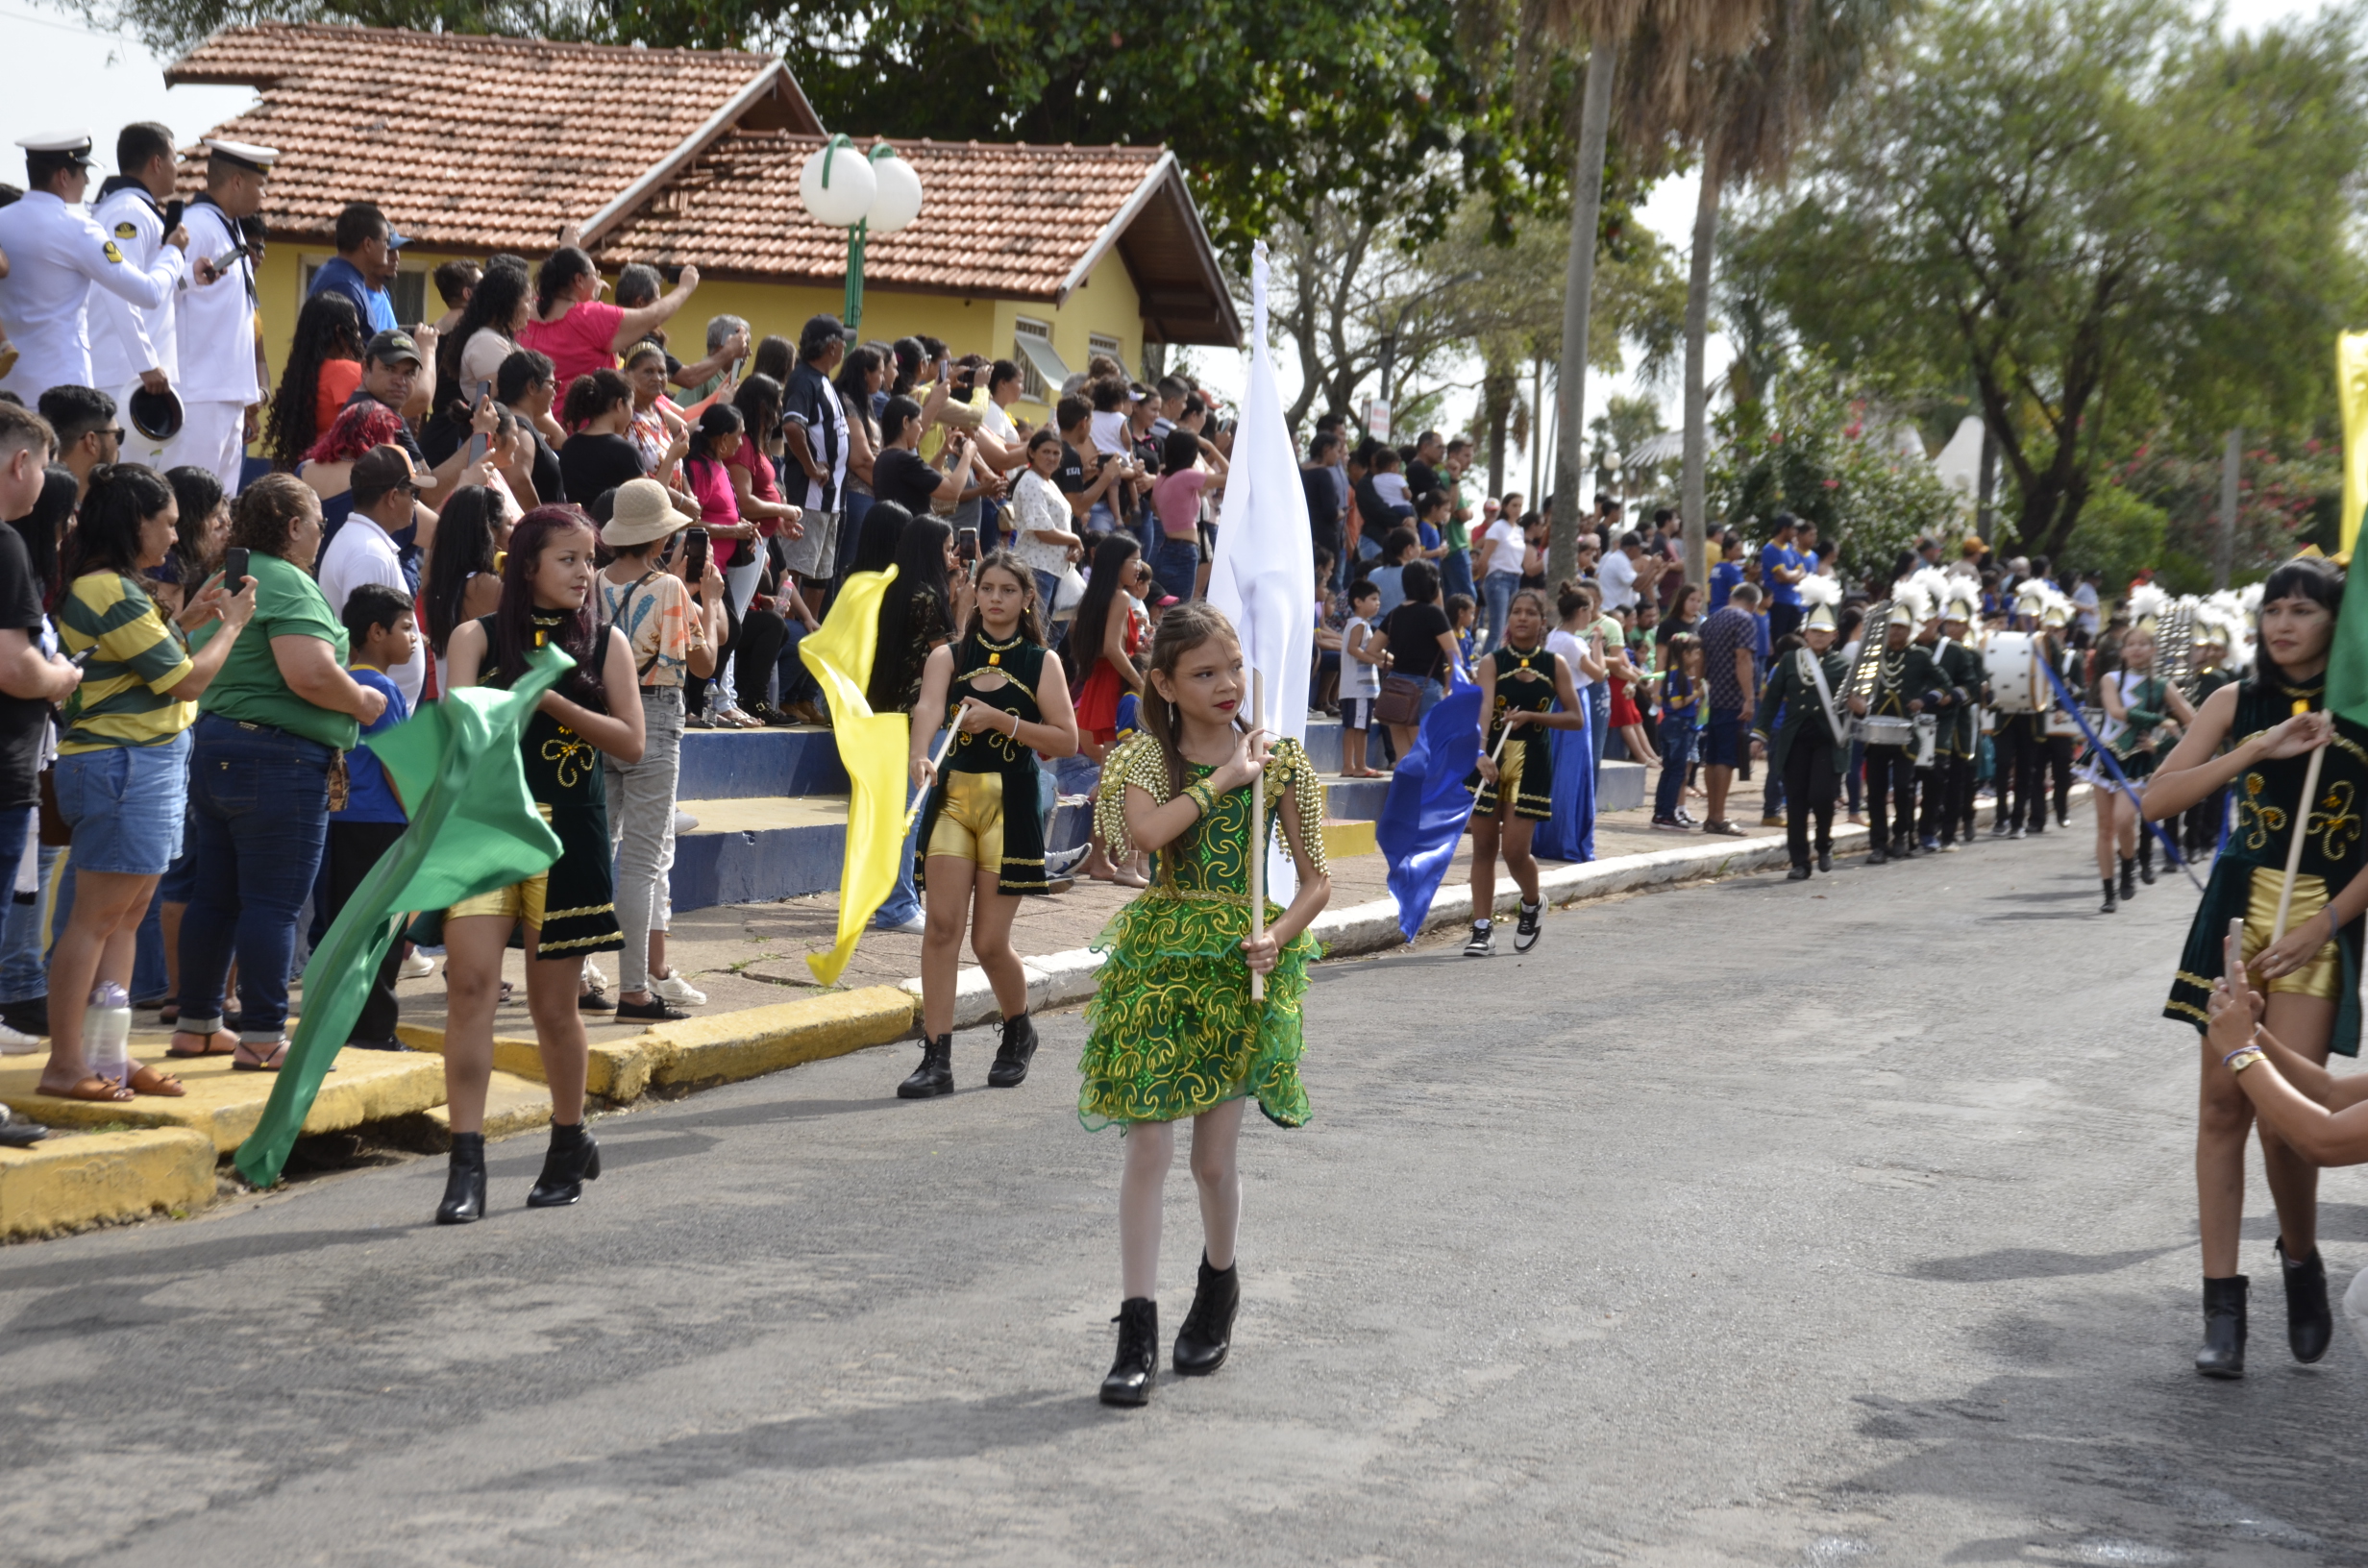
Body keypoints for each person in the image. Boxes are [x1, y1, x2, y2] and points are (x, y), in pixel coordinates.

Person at [1080, 600, 1331, 1405]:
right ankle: (1136, 1329)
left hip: (1236, 970)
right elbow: (1145, 839)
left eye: (1230, 667)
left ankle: (1219, 1284)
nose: (1226, 684)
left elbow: (1318, 879)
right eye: (1204, 673)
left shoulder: (1283, 761)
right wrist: (1226, 778)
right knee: (1147, 1151)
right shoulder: (1143, 760)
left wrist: (1279, 934)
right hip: (1160, 964)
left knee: (1212, 1162)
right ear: (1164, 683)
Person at [2148, 557, 2359, 1377]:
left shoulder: (2363, 708)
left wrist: (2327, 925)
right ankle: (2222, 1307)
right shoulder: (2237, 700)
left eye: (2303, 610)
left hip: (2318, 921)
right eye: (2273, 609)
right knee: (2219, 1109)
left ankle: (2300, 1259)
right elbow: (2158, 798)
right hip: (2236, 917)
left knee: (2288, 1115)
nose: (2282, 623)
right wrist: (2253, 750)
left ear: (2337, 623)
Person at [429, 505, 646, 1223]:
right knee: (470, 991)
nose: (586, 574)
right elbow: (455, 737)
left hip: (566, 841)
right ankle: (467, 1163)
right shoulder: (473, 637)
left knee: (554, 1008)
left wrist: (549, 697)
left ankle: (566, 1139)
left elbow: (630, 744)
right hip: (485, 832)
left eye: (590, 560)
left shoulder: (607, 644)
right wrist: (501, 703)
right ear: (527, 566)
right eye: (569, 560)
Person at [41, 463, 255, 1099]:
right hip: (123, 763)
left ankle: (107, 1055)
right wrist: (232, 623)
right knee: (98, 919)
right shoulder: (108, 589)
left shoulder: (116, 590)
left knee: (124, 917)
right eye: (164, 522)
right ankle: (67, 1063)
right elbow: (186, 681)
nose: (172, 535)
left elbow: (143, 665)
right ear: (135, 522)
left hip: (140, 763)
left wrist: (186, 624)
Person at [171, 475, 386, 1069]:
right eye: (318, 522)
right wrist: (363, 703)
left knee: (216, 897)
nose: (322, 533)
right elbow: (310, 674)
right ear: (294, 527)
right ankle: (264, 1036)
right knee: (272, 903)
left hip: (218, 748)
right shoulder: (287, 582)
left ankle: (197, 1024)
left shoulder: (229, 576)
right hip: (278, 760)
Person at [898, 551, 1078, 1096]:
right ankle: (936, 1058)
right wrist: (918, 755)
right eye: (987, 588)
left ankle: (1019, 1029)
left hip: (1013, 801)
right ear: (974, 594)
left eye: (1008, 589)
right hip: (952, 797)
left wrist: (1000, 720)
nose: (996, 598)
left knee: (989, 943)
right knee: (941, 928)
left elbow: (1066, 740)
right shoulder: (947, 657)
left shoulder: (1042, 661)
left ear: (1027, 599)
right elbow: (928, 710)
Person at [598, 479, 726, 1023]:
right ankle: (634, 989)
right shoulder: (670, 590)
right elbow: (703, 665)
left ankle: (582, 972)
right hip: (654, 716)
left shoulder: (595, 582)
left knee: (598, 847)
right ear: (660, 537)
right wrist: (712, 603)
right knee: (644, 861)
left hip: (600, 716)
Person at [0, 132, 189, 406]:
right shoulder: (80, 230)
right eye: (83, 172)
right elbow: (148, 293)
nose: (88, 181)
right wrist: (174, 252)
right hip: (62, 387)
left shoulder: (3, 220)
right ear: (64, 176)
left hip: (9, 385)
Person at [1465, 588, 1585, 957]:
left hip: (1532, 761)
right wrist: (1480, 751)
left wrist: (1533, 717)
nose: (1521, 618)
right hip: (1490, 762)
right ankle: (1482, 929)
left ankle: (1531, 903)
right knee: (1483, 846)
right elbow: (1484, 707)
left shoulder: (1555, 665)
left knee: (1516, 851)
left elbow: (1575, 718)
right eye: (1516, 611)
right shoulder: (1493, 661)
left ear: (1542, 621)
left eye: (1530, 613)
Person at [321, 582, 414, 1052]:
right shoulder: (382, 687)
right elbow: (396, 763)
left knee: (346, 927)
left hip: (340, 822)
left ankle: (348, 1025)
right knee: (381, 933)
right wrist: (417, 817)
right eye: (405, 626)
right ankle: (376, 1030)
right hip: (380, 823)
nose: (414, 636)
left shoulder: (340, 678)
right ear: (376, 632)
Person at [160, 140, 275, 493]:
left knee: (217, 509)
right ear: (237, 182)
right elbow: (160, 292)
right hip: (198, 393)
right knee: (190, 502)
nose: (264, 193)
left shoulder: (229, 227)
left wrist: (246, 397)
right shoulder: (196, 226)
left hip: (224, 394)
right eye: (260, 184)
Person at [870, 512, 964, 929]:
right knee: (909, 812)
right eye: (947, 548)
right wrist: (962, 605)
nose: (952, 555)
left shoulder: (893, 589)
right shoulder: (928, 597)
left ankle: (890, 900)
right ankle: (897, 905)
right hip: (917, 713)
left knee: (891, 812)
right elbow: (950, 658)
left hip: (884, 710)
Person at [88, 123, 189, 468]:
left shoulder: (136, 209)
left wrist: (190, 276)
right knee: (123, 485)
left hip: (138, 375)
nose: (179, 168)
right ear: (157, 163)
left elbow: (145, 282)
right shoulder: (128, 212)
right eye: (176, 159)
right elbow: (119, 291)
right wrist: (146, 362)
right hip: (127, 376)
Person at [316, 444, 433, 705]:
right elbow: (363, 643)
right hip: (376, 715)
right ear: (393, 497)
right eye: (414, 493)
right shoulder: (368, 553)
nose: (416, 502)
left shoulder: (366, 544)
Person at [1752, 588, 1851, 879]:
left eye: (1825, 632)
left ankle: (1823, 842)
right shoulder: (1791, 661)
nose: (1819, 636)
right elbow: (1771, 700)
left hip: (1828, 739)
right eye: (1814, 631)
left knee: (1821, 796)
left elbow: (1858, 703)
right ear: (1805, 633)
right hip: (1794, 738)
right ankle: (1799, 861)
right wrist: (1759, 735)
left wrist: (1858, 706)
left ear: (1834, 635)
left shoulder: (1844, 665)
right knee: (1795, 799)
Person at [2093, 619, 2191, 911]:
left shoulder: (2162, 686)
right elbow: (2115, 712)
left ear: (2153, 650)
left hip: (2137, 761)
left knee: (2124, 820)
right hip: (2105, 755)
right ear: (2122, 651)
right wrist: (2160, 720)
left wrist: (2161, 746)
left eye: (2143, 644)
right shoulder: (2110, 679)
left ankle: (2127, 865)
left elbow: (2195, 723)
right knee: (2104, 827)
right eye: (2130, 644)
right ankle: (2108, 892)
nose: (2136, 649)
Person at [517, 246, 700, 395]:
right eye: (594, 275)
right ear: (579, 280)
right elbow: (654, 315)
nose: (597, 280)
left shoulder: (525, 310)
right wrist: (686, 287)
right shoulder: (590, 316)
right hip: (585, 430)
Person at [1853, 597, 1946, 866]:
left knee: (1905, 787)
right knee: (1876, 790)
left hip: (1907, 733)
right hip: (1876, 732)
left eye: (1902, 628)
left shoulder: (1920, 655)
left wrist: (1924, 701)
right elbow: (1859, 685)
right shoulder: (1873, 654)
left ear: (1911, 630)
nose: (1896, 632)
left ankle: (1902, 836)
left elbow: (1944, 685)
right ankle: (1878, 844)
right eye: (1892, 627)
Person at [778, 314, 848, 593]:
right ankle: (790, 631)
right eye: (843, 342)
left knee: (820, 575)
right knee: (795, 571)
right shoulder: (803, 380)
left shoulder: (821, 380)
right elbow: (793, 425)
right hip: (810, 496)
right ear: (832, 346)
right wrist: (809, 466)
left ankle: (809, 630)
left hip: (829, 498)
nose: (845, 348)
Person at [263, 292, 367, 472]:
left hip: (305, 471)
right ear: (339, 332)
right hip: (343, 473)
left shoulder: (299, 377)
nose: (359, 337)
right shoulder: (348, 372)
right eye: (355, 329)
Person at [1919, 579, 1986, 853]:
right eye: (1952, 623)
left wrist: (1952, 697)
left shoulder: (1966, 652)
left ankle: (1950, 832)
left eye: (1960, 623)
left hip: (1956, 723)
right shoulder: (1914, 647)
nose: (1955, 628)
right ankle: (1924, 830)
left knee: (1956, 778)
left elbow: (1974, 686)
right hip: (1921, 721)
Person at [1375, 560, 1461, 761]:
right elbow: (1454, 654)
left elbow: (1372, 649)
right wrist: (1449, 687)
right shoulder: (1434, 614)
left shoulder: (1395, 613)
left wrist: (1392, 661)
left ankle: (1403, 792)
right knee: (1425, 754)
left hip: (1396, 686)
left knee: (1403, 756)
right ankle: (1421, 793)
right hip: (1425, 688)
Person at [1697, 582, 1764, 836]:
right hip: (1733, 698)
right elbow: (1743, 658)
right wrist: (1749, 698)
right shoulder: (1745, 619)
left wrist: (1700, 690)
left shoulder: (1711, 621)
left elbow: (1701, 661)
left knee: (1712, 758)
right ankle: (1718, 816)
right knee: (1726, 757)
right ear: (1753, 604)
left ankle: (1712, 815)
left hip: (1713, 698)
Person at [1010, 427, 1083, 618]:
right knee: (1034, 631)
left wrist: (1072, 548)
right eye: (1046, 452)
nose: (1051, 457)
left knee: (1051, 635)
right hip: (1036, 569)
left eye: (1056, 453)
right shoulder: (1031, 482)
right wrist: (1075, 539)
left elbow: (1058, 528)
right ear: (1032, 453)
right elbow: (1042, 531)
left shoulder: (1048, 483)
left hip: (1056, 569)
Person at [306, 202, 404, 335]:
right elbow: (346, 351)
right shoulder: (344, 286)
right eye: (386, 242)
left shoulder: (342, 276)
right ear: (368, 244)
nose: (388, 249)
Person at [1148, 427, 1221, 602]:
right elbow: (1231, 476)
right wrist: (1211, 447)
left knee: (1163, 607)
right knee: (1180, 610)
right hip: (1185, 551)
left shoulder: (1161, 478)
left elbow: (1154, 506)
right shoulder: (1187, 476)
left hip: (1166, 548)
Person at [556, 368, 649, 507]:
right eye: (631, 405)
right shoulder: (625, 451)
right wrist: (671, 458)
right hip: (613, 528)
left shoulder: (569, 445)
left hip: (579, 526)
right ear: (619, 405)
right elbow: (648, 502)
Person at [1651, 634, 1703, 832]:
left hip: (1670, 725)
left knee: (1669, 771)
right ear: (1685, 653)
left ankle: (1660, 813)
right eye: (1696, 653)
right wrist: (1699, 694)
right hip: (1678, 726)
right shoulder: (1678, 675)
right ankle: (1667, 814)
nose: (1698, 657)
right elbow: (1676, 703)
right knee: (1676, 772)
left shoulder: (1673, 673)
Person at [1339, 579, 1387, 778]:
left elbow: (1372, 649)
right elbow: (1354, 649)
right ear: (1358, 601)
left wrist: (1389, 658)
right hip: (1360, 688)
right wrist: (1377, 662)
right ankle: (1359, 766)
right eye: (1373, 599)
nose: (1378, 603)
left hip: (1353, 688)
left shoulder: (1358, 624)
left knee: (1353, 727)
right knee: (1360, 728)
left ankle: (1349, 765)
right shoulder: (1359, 624)